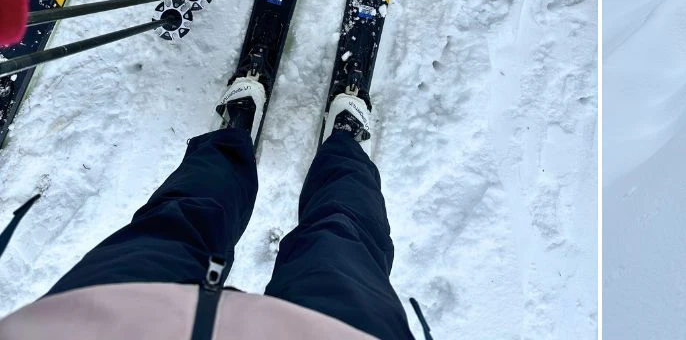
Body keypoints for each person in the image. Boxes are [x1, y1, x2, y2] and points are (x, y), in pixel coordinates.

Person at [0, 85, 428, 340]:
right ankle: (344, 146)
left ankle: (234, 136)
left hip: (97, 321)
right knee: (342, 242)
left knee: (181, 218)